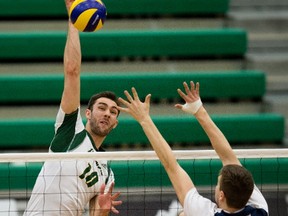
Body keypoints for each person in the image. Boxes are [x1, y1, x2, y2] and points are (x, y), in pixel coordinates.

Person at [24, 0, 122, 215]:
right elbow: (72, 70)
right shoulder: (71, 130)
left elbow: (96, 214)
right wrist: (73, 19)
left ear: (115, 124)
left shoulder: (107, 173)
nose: (107, 113)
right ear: (88, 113)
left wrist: (103, 210)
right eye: (102, 107)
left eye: (113, 112)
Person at [117, 81, 269, 216]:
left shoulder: (204, 212)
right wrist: (198, 110)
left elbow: (172, 166)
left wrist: (144, 119)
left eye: (218, 184)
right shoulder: (260, 210)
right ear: (249, 194)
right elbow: (228, 158)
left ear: (221, 195)